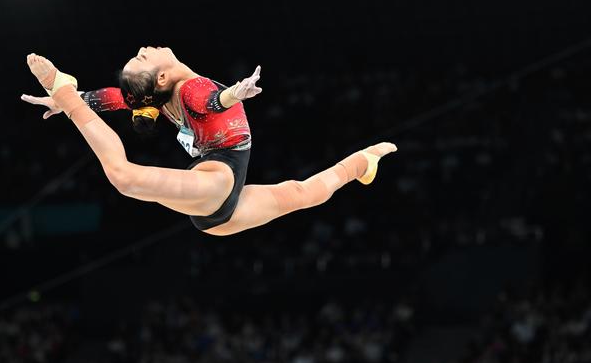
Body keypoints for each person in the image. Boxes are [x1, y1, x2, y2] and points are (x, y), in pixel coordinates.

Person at [21, 46, 397, 236]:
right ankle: (61, 85)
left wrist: (80, 97)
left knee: (303, 193)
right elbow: (210, 101)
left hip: (217, 207)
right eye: (142, 57)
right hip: (218, 184)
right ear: (163, 76)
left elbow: (113, 98)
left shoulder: (159, 94)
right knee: (124, 176)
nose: (145, 49)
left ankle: (364, 161)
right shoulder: (192, 88)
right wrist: (235, 93)